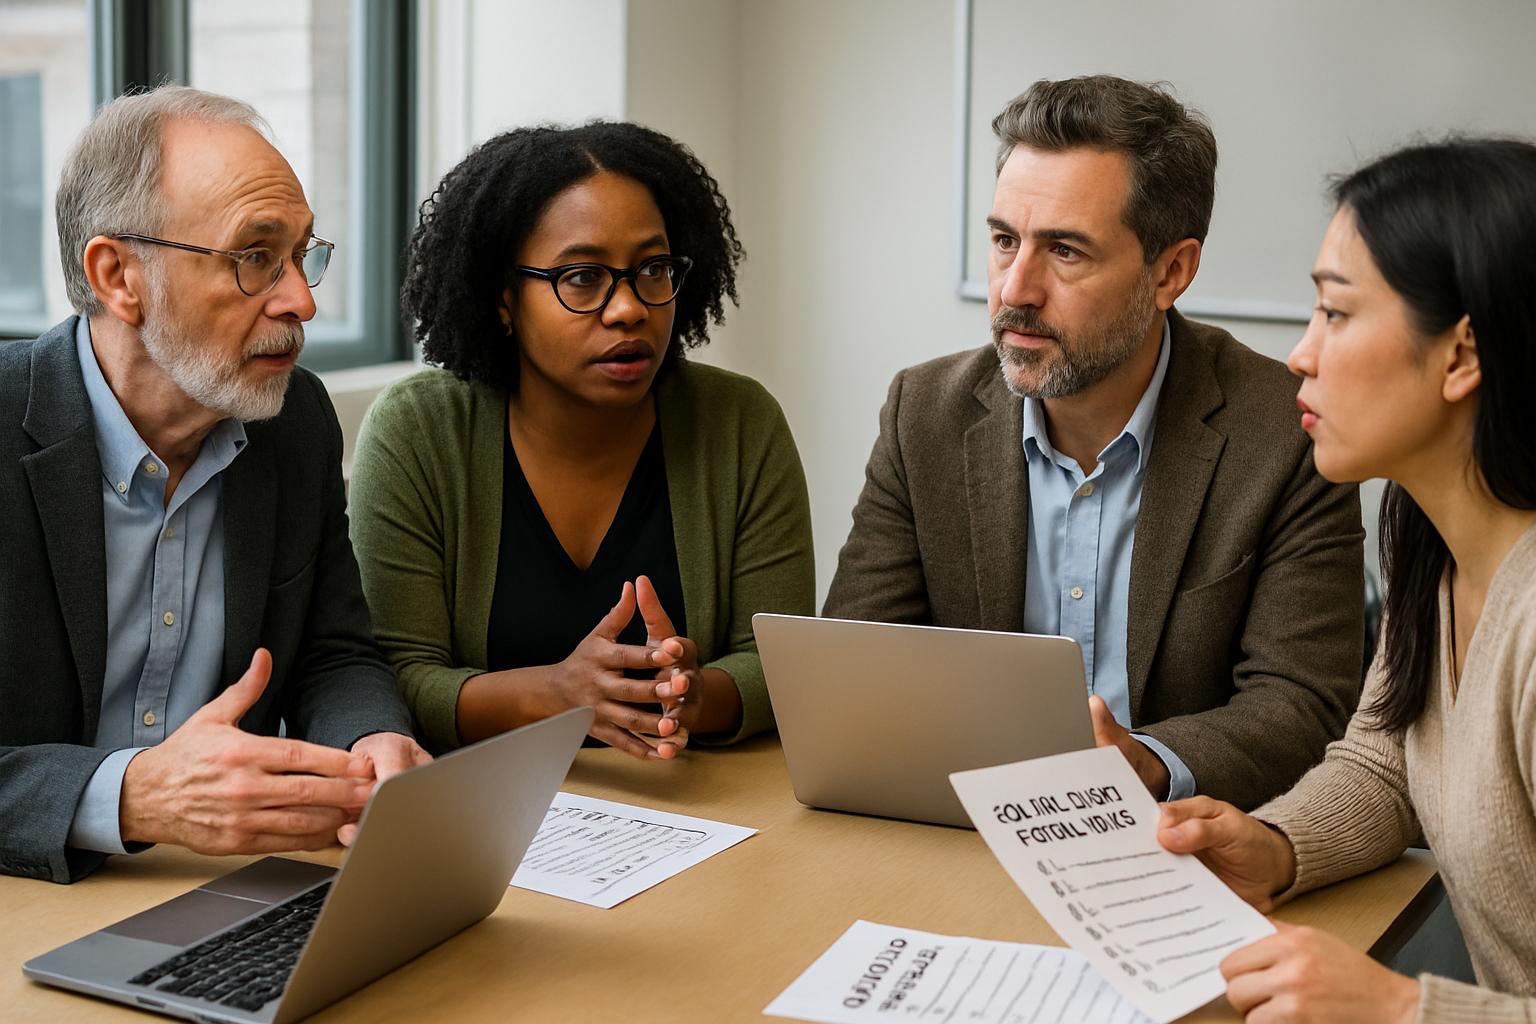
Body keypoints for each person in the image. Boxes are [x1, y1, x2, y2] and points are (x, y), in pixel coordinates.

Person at [823, 75, 1365, 809]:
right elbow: (854, 667)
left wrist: (1142, 761)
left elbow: (1303, 704)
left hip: (1176, 840)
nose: (1017, 288)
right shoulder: (923, 413)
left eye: (1065, 252)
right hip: (961, 828)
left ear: (1171, 271)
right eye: (1004, 240)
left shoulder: (1284, 429)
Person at [0, 87, 430, 884]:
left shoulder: (292, 418)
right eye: (254, 257)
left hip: (229, 886)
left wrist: (370, 742)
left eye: (303, 254)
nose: (301, 300)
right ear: (118, 275)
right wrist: (128, 797)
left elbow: (333, 655)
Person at [1158, 138, 1536, 1020]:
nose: (1299, 354)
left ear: (1461, 356)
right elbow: (1388, 762)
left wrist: (1402, 1010)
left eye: (1335, 313)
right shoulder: (1432, 544)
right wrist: (1276, 844)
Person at [349, 122, 814, 760]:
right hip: (480, 810)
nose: (628, 309)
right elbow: (390, 677)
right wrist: (556, 695)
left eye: (653, 269)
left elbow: (782, 661)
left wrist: (692, 693)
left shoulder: (739, 423)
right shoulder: (421, 432)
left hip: (695, 807)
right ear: (505, 299)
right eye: (582, 277)